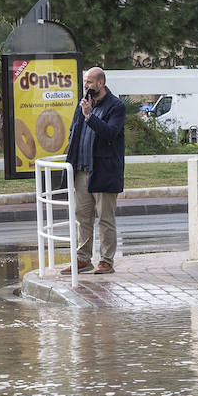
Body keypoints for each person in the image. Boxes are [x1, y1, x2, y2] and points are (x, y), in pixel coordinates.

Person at [62, 66, 126, 274]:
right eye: (85, 82)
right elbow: (74, 132)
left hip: (103, 171)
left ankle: (106, 260)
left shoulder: (116, 106)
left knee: (105, 218)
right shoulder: (83, 105)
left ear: (100, 83)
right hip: (82, 170)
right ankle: (83, 259)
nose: (86, 86)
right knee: (83, 217)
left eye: (89, 82)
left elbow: (110, 133)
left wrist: (90, 116)